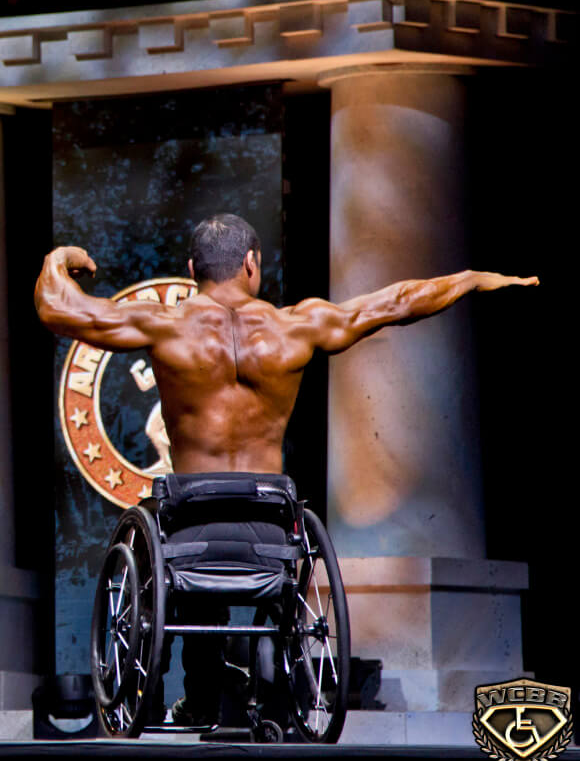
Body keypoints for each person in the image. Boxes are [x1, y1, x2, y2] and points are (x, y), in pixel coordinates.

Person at [34, 213, 538, 725]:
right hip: (269, 514)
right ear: (252, 264)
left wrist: (59, 259)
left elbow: (57, 308)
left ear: (191, 270)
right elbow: (395, 302)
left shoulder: (162, 325)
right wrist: (469, 278)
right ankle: (263, 688)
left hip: (190, 514)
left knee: (162, 545)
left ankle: (196, 694)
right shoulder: (297, 325)